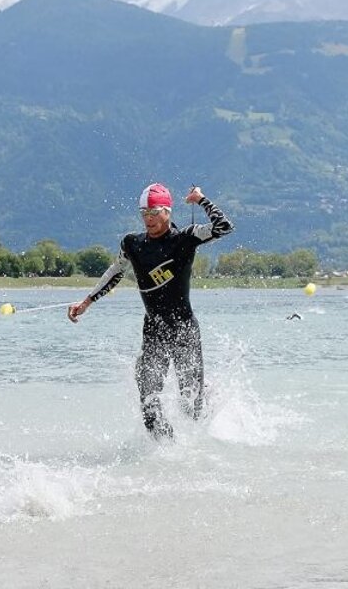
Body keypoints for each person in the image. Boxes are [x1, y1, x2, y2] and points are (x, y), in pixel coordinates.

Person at [67, 183, 233, 440]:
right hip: (154, 330)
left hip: (184, 329)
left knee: (192, 406)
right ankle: (165, 455)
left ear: (168, 211)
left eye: (154, 213)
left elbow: (224, 226)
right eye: (144, 214)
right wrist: (87, 302)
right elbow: (116, 271)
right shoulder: (132, 243)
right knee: (149, 407)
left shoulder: (185, 238)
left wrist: (201, 200)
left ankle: (205, 409)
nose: (149, 220)